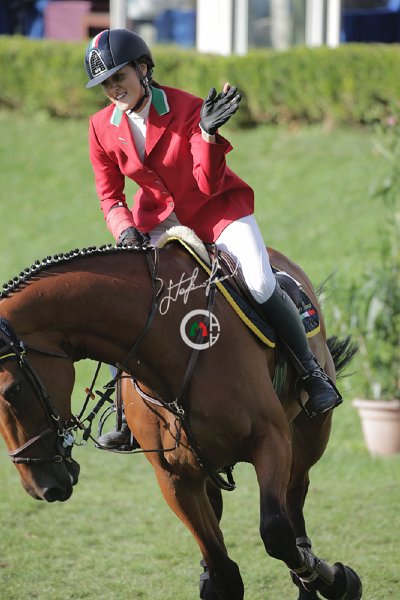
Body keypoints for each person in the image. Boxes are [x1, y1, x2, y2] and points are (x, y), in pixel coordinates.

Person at [84, 28, 341, 449]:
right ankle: (125, 413)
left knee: (260, 282)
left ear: (144, 69)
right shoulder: (100, 127)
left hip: (218, 212)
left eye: (119, 77)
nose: (114, 89)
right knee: (126, 298)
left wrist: (205, 134)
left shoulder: (188, 108)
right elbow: (109, 195)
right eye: (106, 83)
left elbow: (207, 184)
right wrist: (125, 229)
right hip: (158, 221)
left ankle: (312, 374)